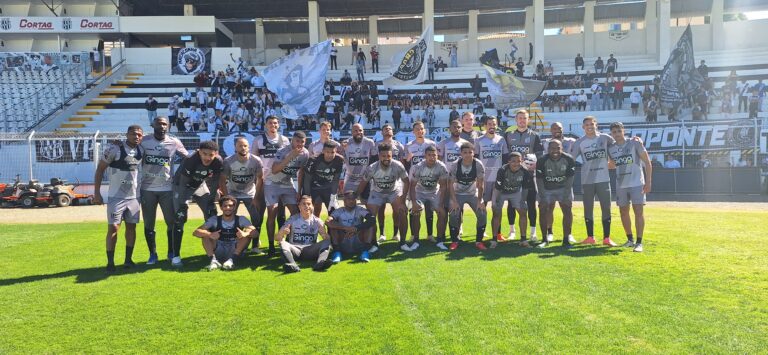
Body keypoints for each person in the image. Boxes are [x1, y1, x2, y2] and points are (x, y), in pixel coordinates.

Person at [93, 125, 144, 271]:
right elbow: (100, 170)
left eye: (140, 135)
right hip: (116, 197)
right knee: (114, 227)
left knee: (131, 228)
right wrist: (97, 193)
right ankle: (110, 262)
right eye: (134, 134)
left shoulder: (142, 149)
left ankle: (128, 260)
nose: (137, 137)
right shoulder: (114, 149)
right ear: (126, 134)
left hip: (134, 197)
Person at [139, 117, 189, 264]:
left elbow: (187, 158)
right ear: (153, 125)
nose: (162, 126)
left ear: (168, 126)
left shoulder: (174, 142)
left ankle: (171, 252)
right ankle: (152, 254)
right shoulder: (144, 141)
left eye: (164, 124)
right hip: (147, 189)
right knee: (149, 224)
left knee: (171, 223)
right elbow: (130, 150)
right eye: (159, 123)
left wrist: (179, 175)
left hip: (167, 189)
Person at [170, 140, 224, 267]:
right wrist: (183, 204)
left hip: (199, 185)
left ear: (216, 154)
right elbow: (183, 183)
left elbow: (215, 181)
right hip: (181, 186)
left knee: (212, 214)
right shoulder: (191, 159)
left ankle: (214, 254)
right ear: (199, 152)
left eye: (211, 155)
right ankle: (176, 256)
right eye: (204, 154)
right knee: (180, 217)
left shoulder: (218, 161)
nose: (207, 157)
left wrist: (211, 200)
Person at [570, 116, 617, 246]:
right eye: (587, 125)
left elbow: (619, 146)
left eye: (592, 124)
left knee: (606, 208)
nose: (589, 126)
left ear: (596, 124)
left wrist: (613, 161)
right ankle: (590, 237)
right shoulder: (580, 142)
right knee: (588, 208)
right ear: (583, 127)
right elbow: (571, 160)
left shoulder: (605, 138)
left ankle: (606, 238)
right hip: (587, 180)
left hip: (603, 179)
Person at [356, 143, 411, 251]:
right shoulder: (372, 168)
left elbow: (407, 182)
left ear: (392, 155)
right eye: (383, 156)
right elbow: (363, 183)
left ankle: (403, 242)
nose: (386, 158)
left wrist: (403, 199)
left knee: (402, 212)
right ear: (379, 156)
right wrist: (358, 196)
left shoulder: (398, 165)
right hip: (377, 193)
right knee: (370, 217)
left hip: (394, 191)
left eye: (389, 156)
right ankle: (374, 243)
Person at [608, 122, 652, 253]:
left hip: (637, 183)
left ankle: (639, 242)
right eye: (614, 132)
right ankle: (629, 239)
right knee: (623, 212)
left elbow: (648, 163)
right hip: (621, 184)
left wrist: (648, 182)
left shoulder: (635, 143)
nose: (616, 134)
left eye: (618, 131)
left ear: (623, 131)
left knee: (638, 211)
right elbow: (612, 165)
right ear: (612, 134)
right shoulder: (611, 148)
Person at [251, 115, 290, 255]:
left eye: (275, 123)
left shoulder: (284, 140)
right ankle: (255, 244)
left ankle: (281, 241)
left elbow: (288, 159)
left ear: (278, 125)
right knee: (259, 213)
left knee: (280, 214)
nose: (273, 125)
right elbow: (253, 160)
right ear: (266, 125)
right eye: (270, 123)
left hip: (279, 180)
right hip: (263, 181)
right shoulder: (259, 140)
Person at [218, 137, 264, 254]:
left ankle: (255, 246)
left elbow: (260, 179)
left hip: (250, 193)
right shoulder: (228, 161)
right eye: (240, 146)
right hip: (233, 193)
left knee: (256, 219)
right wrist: (227, 197)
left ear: (248, 147)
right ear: (235, 147)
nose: (243, 148)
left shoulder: (256, 160)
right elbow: (222, 180)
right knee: (230, 218)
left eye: (245, 146)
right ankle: (232, 243)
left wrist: (257, 197)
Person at [504, 109, 544, 243]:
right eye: (520, 118)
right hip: (512, 175)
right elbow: (505, 155)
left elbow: (539, 154)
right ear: (516, 120)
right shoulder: (508, 135)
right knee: (511, 203)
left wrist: (535, 162)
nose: (522, 120)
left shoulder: (535, 135)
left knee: (531, 203)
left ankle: (533, 232)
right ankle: (512, 231)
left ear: (528, 120)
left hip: (529, 175)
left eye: (524, 118)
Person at [267, 131, 310, 252]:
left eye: (302, 142)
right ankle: (271, 245)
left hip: (287, 183)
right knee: (272, 212)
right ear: (292, 140)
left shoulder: (305, 153)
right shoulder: (282, 150)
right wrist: (291, 156)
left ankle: (289, 240)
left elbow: (301, 172)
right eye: (297, 141)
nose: (300, 144)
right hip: (272, 183)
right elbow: (275, 170)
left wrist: (299, 191)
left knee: (296, 212)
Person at [473, 116, 509, 249]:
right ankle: (480, 236)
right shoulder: (479, 140)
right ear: (484, 126)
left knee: (496, 208)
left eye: (494, 124)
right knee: (482, 208)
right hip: (483, 180)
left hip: (497, 180)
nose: (491, 126)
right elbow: (475, 160)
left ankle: (497, 234)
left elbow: (505, 159)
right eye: (489, 124)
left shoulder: (501, 139)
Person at [193, 195, 255, 270]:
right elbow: (196, 232)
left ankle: (231, 260)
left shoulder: (241, 219)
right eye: (225, 206)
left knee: (247, 234)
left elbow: (255, 233)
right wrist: (210, 234)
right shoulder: (214, 219)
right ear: (221, 207)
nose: (228, 208)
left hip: (235, 249)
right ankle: (213, 261)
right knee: (205, 235)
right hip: (218, 249)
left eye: (230, 206)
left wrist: (246, 233)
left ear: (234, 207)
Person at [535, 139, 577, 248]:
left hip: (563, 188)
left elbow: (570, 179)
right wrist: (543, 196)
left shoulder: (569, 159)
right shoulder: (541, 160)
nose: (555, 150)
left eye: (558, 148)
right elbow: (539, 180)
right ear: (548, 149)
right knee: (543, 209)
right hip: (546, 188)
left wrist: (566, 195)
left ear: (562, 148)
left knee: (567, 209)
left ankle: (566, 239)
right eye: (552, 148)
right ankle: (544, 239)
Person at [276, 195, 334, 273]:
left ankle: (320, 263)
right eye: (304, 204)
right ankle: (293, 265)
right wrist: (282, 233)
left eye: (309, 204)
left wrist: (325, 234)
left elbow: (327, 240)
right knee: (282, 243)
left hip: (310, 250)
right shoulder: (292, 219)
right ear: (299, 206)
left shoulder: (318, 221)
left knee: (326, 242)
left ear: (312, 206)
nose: (307, 206)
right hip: (295, 250)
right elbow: (277, 238)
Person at [409, 146, 450, 250]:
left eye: (434, 155)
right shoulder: (418, 167)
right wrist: (414, 202)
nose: (432, 157)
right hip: (420, 192)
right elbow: (412, 186)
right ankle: (416, 240)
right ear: (425, 156)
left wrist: (440, 204)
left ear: (437, 155)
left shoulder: (441, 166)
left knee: (442, 212)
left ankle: (440, 240)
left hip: (434, 192)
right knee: (416, 212)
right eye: (429, 155)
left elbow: (443, 186)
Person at [447, 142, 487, 250]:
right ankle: (455, 241)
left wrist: (480, 200)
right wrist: (454, 201)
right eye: (465, 152)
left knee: (482, 213)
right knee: (453, 214)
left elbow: (481, 184)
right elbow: (449, 184)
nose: (468, 154)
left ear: (474, 153)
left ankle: (479, 241)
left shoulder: (478, 164)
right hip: (457, 194)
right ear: (461, 153)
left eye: (470, 152)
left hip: (472, 193)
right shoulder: (455, 164)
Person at [404, 121, 438, 242]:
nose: (420, 131)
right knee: (413, 208)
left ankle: (430, 234)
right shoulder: (408, 145)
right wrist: (407, 159)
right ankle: (413, 235)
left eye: (422, 129)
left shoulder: (431, 144)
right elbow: (406, 164)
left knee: (429, 208)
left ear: (425, 130)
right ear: (413, 132)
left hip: (429, 180)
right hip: (415, 182)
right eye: (417, 129)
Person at [491, 152, 534, 248]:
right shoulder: (502, 170)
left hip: (515, 192)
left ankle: (523, 239)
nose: (516, 163)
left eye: (519, 161)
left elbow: (525, 188)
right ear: (509, 161)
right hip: (501, 192)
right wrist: (494, 202)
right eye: (513, 161)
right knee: (496, 212)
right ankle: (494, 240)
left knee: (523, 211)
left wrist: (523, 201)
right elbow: (497, 188)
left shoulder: (525, 171)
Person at [374, 124, 406, 242]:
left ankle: (396, 233)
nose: (388, 130)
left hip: (396, 180)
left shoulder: (398, 145)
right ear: (381, 132)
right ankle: (382, 233)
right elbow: (373, 160)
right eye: (385, 129)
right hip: (381, 179)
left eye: (390, 129)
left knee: (396, 208)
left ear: (393, 132)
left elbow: (402, 162)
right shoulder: (376, 144)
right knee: (380, 208)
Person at [327, 191, 377, 263]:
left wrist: (356, 228)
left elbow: (372, 219)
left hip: (358, 240)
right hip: (344, 240)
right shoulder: (338, 211)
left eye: (353, 199)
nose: (351, 201)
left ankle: (365, 252)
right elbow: (327, 221)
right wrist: (346, 228)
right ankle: (337, 253)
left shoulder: (360, 210)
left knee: (371, 225)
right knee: (332, 226)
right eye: (349, 199)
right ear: (344, 201)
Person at [302, 140, 344, 216]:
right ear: (323, 151)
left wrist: (333, 196)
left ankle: (331, 227)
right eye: (327, 152)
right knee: (312, 210)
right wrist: (307, 196)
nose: (330, 155)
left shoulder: (339, 160)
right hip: (314, 188)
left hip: (328, 188)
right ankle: (315, 226)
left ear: (336, 151)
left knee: (333, 212)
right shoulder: (313, 160)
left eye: (332, 152)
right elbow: (307, 179)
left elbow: (336, 179)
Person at [340, 123, 378, 204]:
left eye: (360, 130)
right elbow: (340, 158)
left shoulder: (370, 142)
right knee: (348, 203)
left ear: (363, 131)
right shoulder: (346, 143)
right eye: (355, 131)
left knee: (368, 204)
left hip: (365, 178)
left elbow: (374, 159)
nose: (358, 132)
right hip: (351, 178)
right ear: (351, 132)